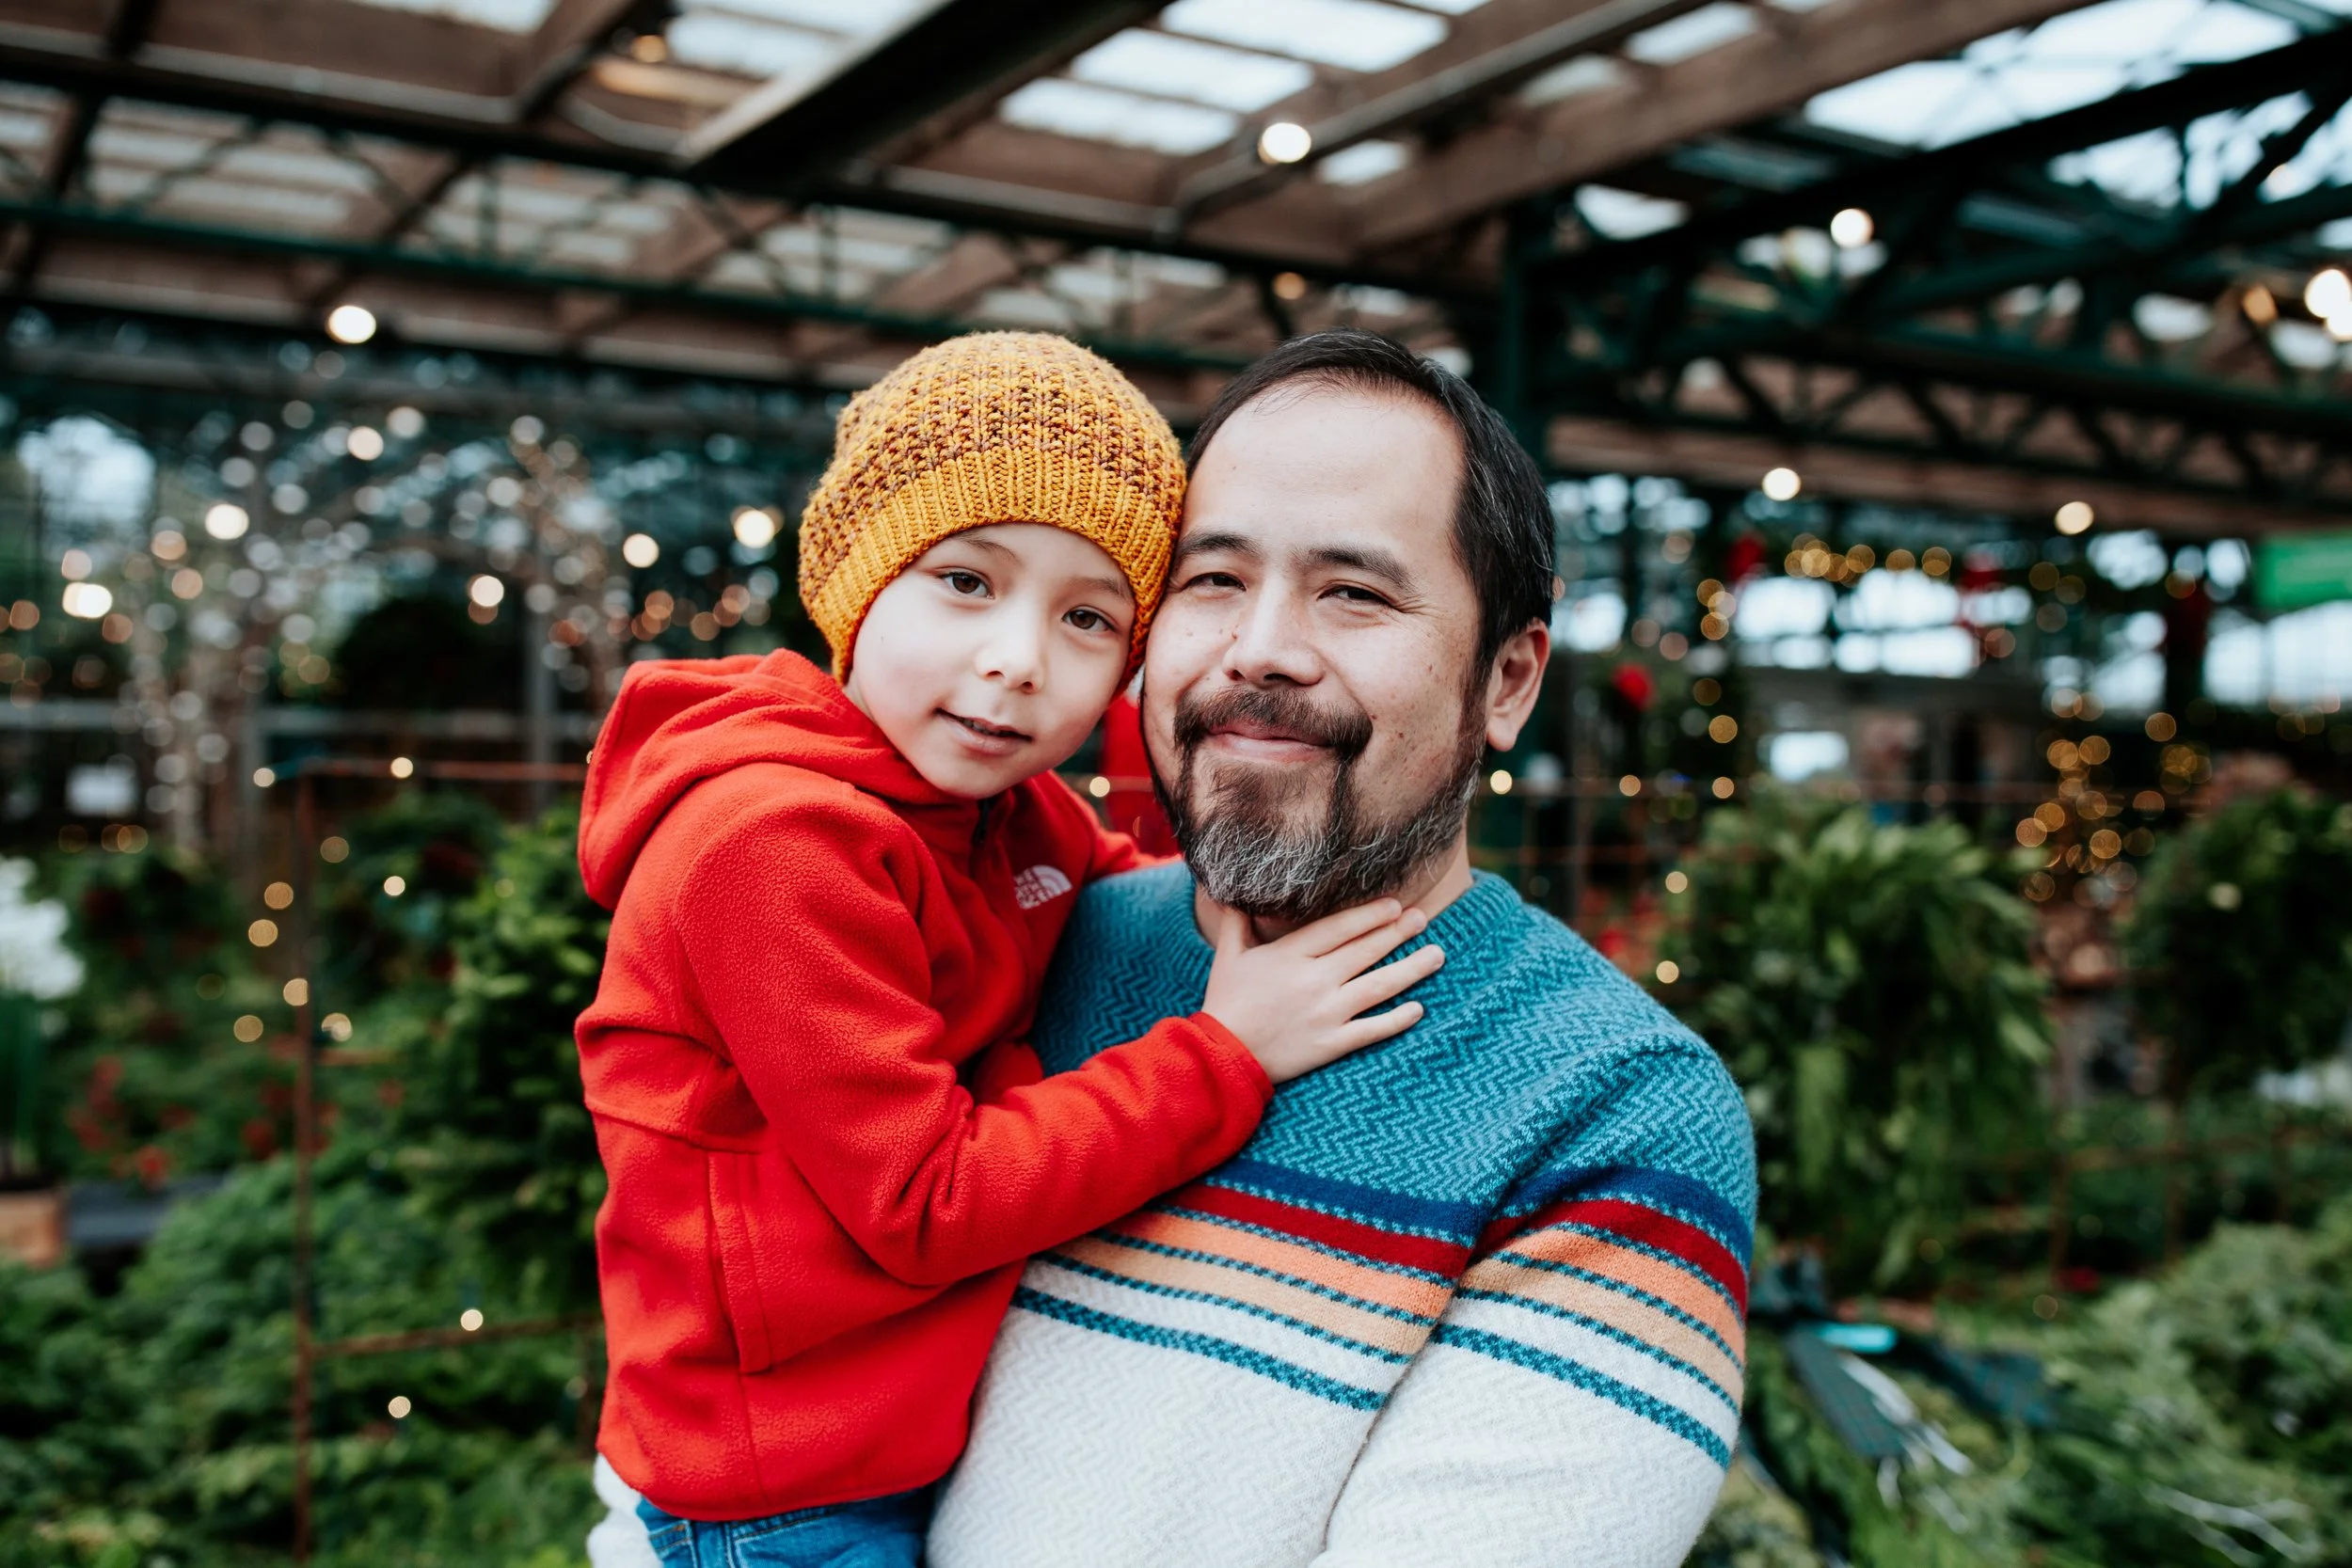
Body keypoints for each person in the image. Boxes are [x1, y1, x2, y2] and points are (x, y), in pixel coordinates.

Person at [572, 333, 1442, 1568]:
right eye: (966, 581)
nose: (1016, 660)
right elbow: (925, 1199)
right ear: (859, 579)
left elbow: (1120, 885)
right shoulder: (769, 846)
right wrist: (1229, 1049)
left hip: (898, 1445)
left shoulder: (999, 810)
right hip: (776, 1495)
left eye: (1089, 616)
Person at [925, 330, 1756, 1567]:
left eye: (1353, 592)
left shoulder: (1618, 1111)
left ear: (1509, 680)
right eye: (1212, 579)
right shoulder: (1020, 942)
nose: (1260, 647)